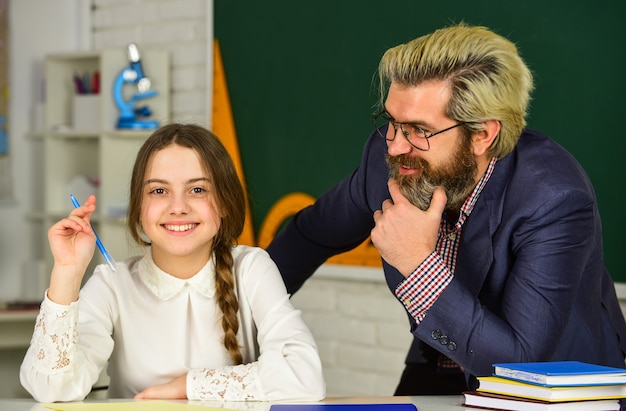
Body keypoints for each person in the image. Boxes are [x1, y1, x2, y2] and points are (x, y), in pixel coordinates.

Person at [267, 23, 626, 395]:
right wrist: (237, 318)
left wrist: (418, 265)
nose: (394, 146)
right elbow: (310, 235)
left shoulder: (554, 199)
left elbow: (520, 362)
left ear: (483, 135)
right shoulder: (386, 160)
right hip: (442, 355)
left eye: (419, 130)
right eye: (392, 122)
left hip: (554, 384)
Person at [20, 123, 325, 402]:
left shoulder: (251, 268)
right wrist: (67, 273)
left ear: (224, 204)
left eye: (197, 189)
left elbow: (305, 376)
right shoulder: (111, 283)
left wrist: (186, 386)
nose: (178, 207)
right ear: (139, 208)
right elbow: (51, 389)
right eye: (159, 191)